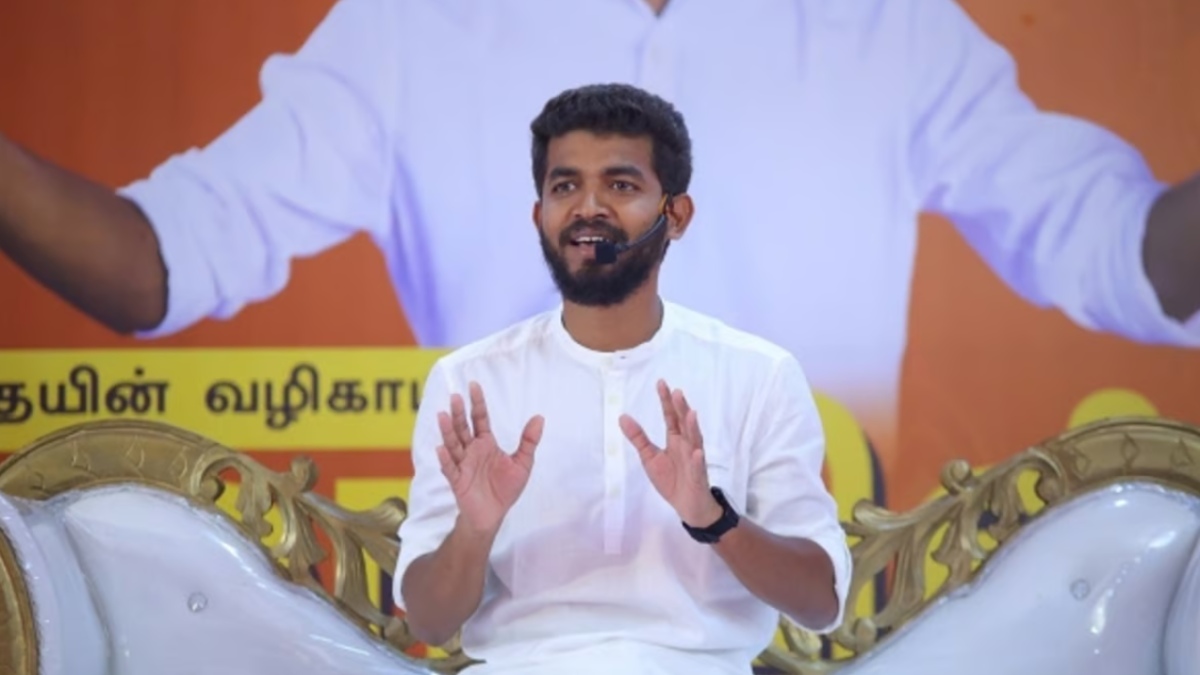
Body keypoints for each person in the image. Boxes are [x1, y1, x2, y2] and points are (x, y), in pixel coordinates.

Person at [1, 0, 1198, 464]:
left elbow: (1127, 251)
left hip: (825, 620)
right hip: (522, 623)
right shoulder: (413, 29)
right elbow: (155, 263)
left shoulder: (883, 23)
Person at [392, 83, 850, 675]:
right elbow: (429, 623)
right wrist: (475, 530)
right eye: (565, 187)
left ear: (675, 215)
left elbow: (820, 603)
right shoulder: (469, 382)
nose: (589, 208)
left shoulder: (759, 375)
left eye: (621, 185)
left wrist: (713, 518)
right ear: (539, 216)